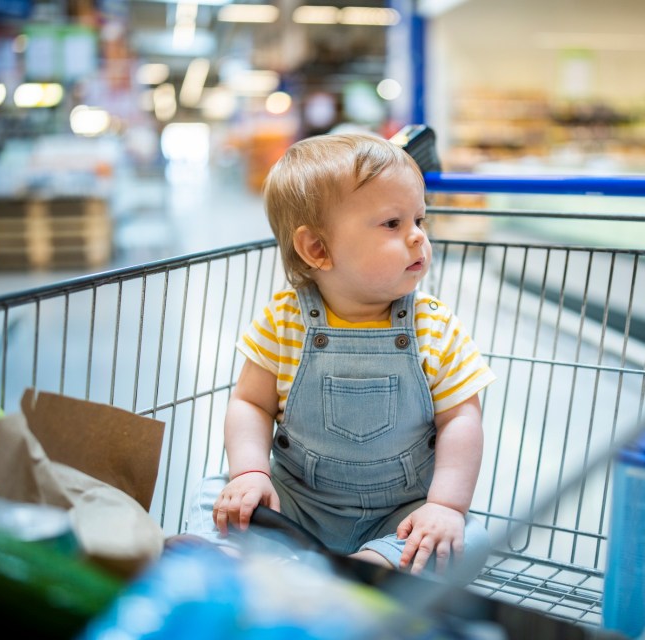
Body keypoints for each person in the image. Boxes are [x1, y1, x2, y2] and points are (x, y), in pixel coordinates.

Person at [187, 133, 496, 575]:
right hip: (296, 503)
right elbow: (250, 403)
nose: (417, 238)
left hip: (400, 515)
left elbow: (462, 419)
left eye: (420, 221)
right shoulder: (284, 319)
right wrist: (250, 473)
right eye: (393, 224)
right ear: (317, 249)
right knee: (212, 493)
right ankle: (276, 564)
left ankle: (352, 569)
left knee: (466, 539)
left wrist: (445, 506)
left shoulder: (434, 326)